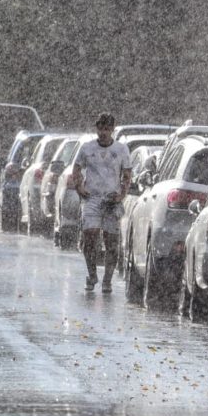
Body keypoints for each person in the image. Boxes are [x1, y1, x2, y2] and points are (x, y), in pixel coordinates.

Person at [72, 113, 132, 293]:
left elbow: (127, 174)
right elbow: (76, 169)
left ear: (112, 129)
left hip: (111, 200)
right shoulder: (87, 148)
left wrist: (121, 195)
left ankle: (107, 280)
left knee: (111, 241)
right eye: (100, 129)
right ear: (96, 128)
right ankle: (91, 274)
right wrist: (80, 187)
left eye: (107, 129)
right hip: (92, 198)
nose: (103, 133)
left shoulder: (121, 150)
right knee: (90, 236)